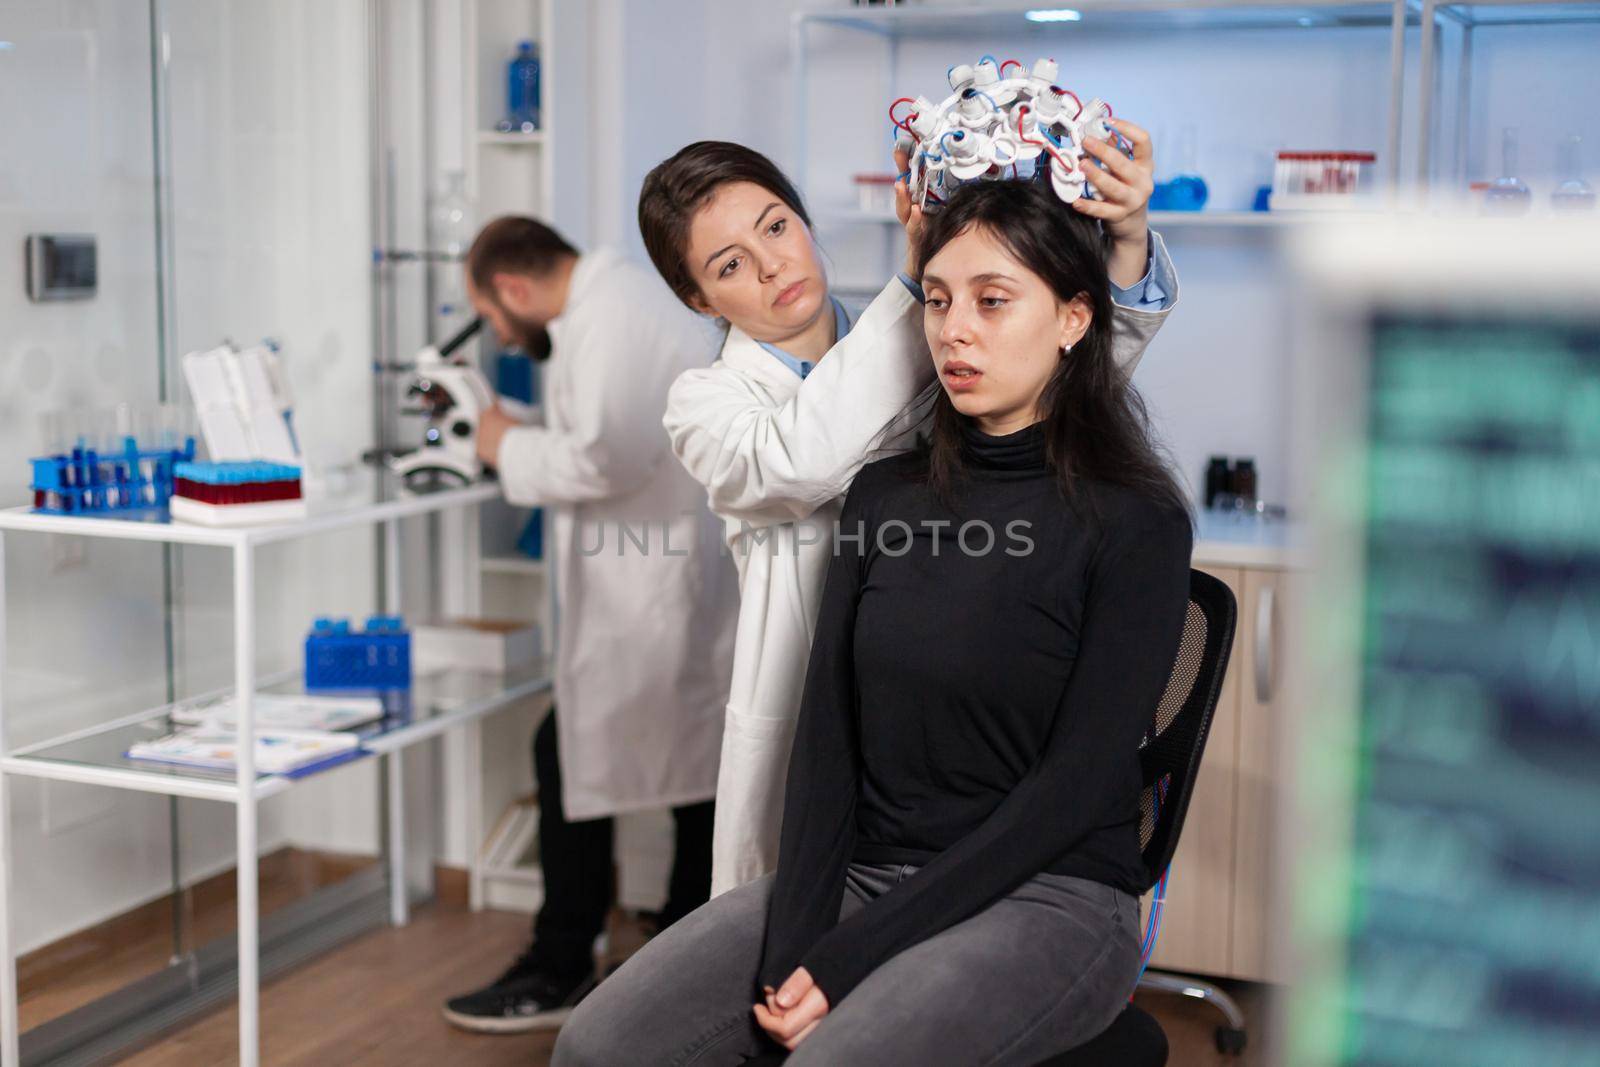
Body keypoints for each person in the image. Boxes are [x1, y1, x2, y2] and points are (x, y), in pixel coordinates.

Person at [554, 175, 1193, 1067]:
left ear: (1074, 319)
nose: (954, 330)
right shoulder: (873, 484)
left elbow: (1077, 785)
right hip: (867, 862)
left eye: (991, 300)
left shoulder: (1134, 521)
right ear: (701, 298)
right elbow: (828, 733)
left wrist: (849, 954)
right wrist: (796, 947)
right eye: (935, 300)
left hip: (1046, 888)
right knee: (596, 1044)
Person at [640, 128, 1176, 895]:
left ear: (804, 220)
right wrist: (920, 279)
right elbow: (805, 459)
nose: (772, 266)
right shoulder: (706, 405)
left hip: (950, 709)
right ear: (699, 299)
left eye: (776, 227)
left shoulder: (930, 329)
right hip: (825, 727)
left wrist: (1122, 239)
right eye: (729, 266)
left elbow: (1064, 369)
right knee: (805, 958)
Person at [440, 216, 737, 1032]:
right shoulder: (609, 305)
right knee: (694, 772)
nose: (502, 332)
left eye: (495, 317)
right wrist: (517, 436)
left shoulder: (611, 314)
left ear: (512, 288)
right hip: (659, 574)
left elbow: (605, 457)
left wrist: (500, 441)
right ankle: (681, 951)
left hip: (651, 583)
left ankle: (566, 960)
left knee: (581, 752)